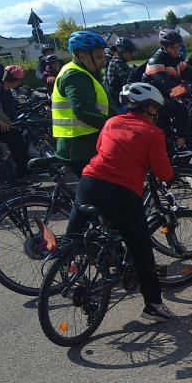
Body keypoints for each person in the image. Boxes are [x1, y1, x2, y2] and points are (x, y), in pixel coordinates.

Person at [65, 82, 177, 322]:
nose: (156, 114)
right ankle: (153, 305)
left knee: (74, 237)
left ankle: (70, 270)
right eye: (155, 109)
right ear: (149, 109)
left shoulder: (111, 122)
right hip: (121, 191)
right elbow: (163, 173)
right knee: (141, 248)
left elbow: (100, 148)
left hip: (89, 181)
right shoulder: (153, 133)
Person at [142, 29, 192, 150]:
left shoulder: (175, 60)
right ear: (165, 47)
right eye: (173, 47)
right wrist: (189, 91)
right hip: (153, 100)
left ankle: (183, 144)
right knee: (181, 111)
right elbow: (169, 88)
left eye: (178, 47)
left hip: (164, 96)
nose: (177, 50)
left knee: (190, 110)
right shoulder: (156, 62)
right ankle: (180, 145)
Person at [52, 31, 114, 175]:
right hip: (79, 148)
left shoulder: (87, 72)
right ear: (82, 56)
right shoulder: (75, 76)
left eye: (104, 56)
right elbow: (84, 111)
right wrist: (115, 127)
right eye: (98, 57)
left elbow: (106, 105)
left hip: (88, 142)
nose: (103, 61)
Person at [104, 37, 137, 113]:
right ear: (121, 50)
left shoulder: (114, 60)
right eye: (129, 52)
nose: (131, 55)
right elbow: (130, 78)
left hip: (114, 98)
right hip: (117, 102)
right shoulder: (117, 62)